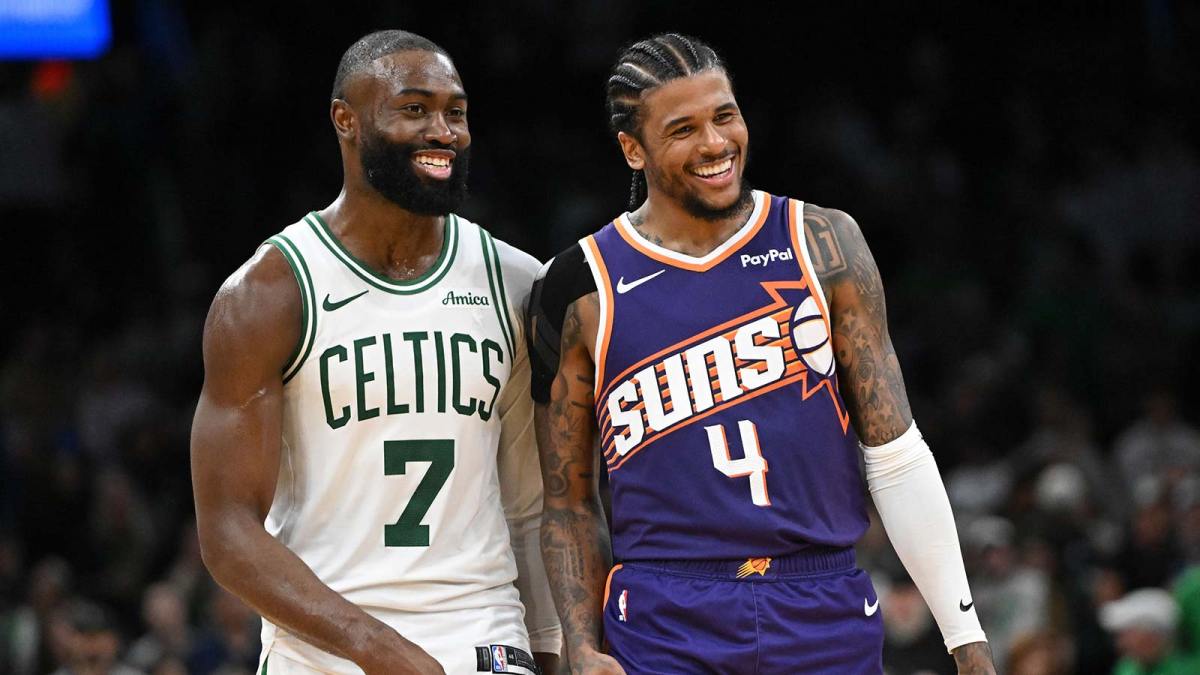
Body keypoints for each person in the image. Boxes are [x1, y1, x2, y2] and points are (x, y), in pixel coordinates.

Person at [528, 33, 994, 673]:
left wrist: (966, 641)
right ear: (632, 149)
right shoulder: (578, 285)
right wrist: (581, 645)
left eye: (724, 116)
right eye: (683, 129)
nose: (716, 144)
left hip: (822, 599)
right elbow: (567, 501)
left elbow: (895, 455)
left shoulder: (824, 242)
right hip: (665, 613)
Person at [191, 30, 559, 675]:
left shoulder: (516, 282)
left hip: (482, 629)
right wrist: (375, 648)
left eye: (456, 111)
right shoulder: (267, 294)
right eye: (413, 109)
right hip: (324, 642)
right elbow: (227, 534)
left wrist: (551, 649)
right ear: (346, 121)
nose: (442, 130)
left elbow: (531, 505)